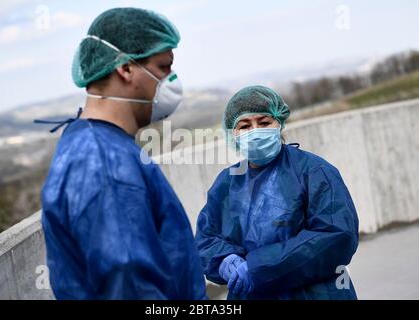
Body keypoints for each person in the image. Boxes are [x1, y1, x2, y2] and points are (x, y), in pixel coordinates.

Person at [36, 7, 206, 300]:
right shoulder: (105, 164)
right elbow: (130, 286)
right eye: (164, 67)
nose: (172, 80)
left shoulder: (95, 144)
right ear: (125, 68)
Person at [195, 85, 359, 300]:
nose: (255, 131)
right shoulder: (227, 183)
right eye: (244, 126)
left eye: (264, 123)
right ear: (232, 134)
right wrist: (225, 260)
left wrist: (258, 267)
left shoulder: (313, 171)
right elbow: (206, 239)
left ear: (279, 124)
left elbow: (338, 236)